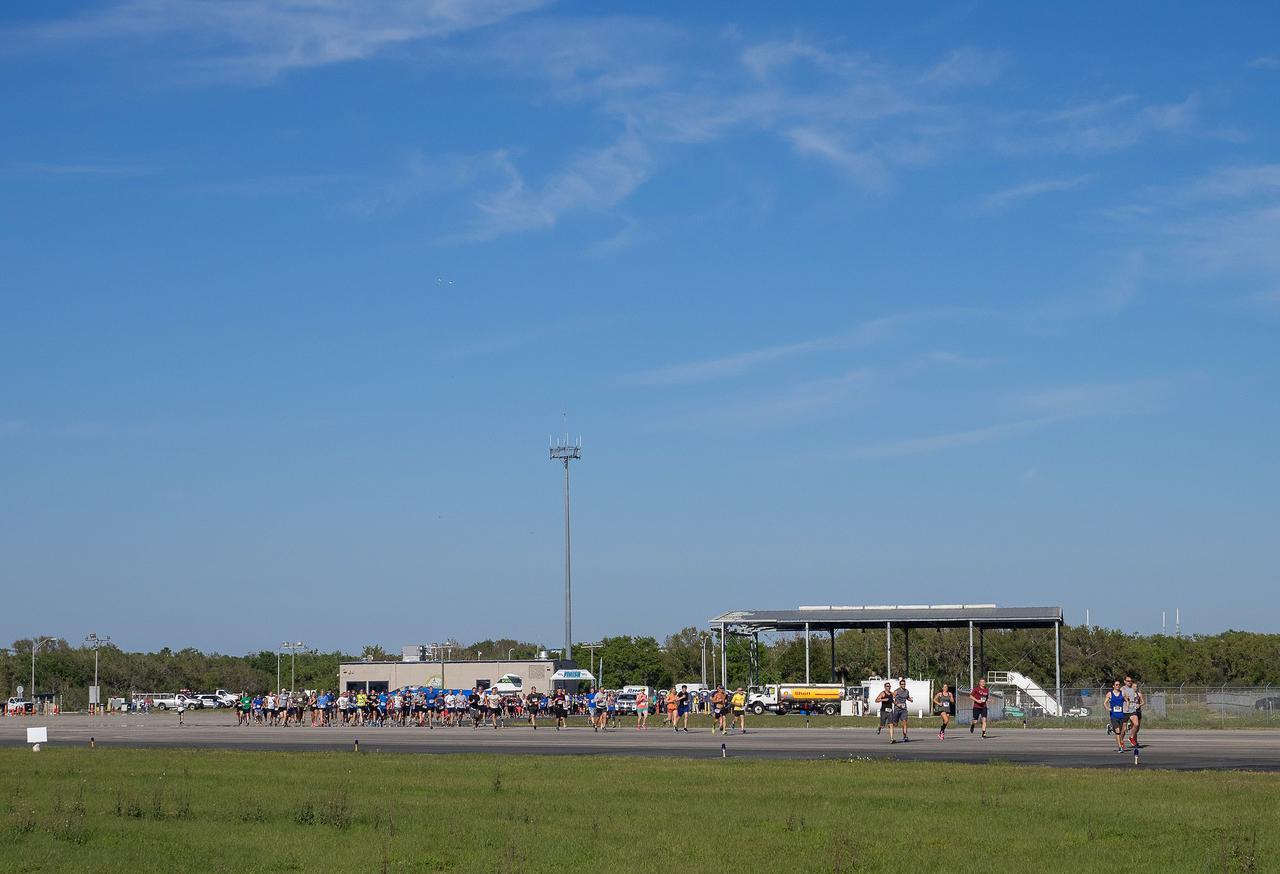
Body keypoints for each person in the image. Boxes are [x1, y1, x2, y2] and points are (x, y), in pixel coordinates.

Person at [1123, 676, 1145, 749]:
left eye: (1136, 686)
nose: (1135, 688)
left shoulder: (1138, 694)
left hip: (1136, 710)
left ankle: (1133, 739)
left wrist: (1139, 705)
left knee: (1136, 727)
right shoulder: (1126, 690)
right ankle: (1128, 742)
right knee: (1127, 728)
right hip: (1128, 710)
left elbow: (1143, 702)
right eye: (1134, 686)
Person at [1107, 680, 1128, 752]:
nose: (1118, 686)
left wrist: (1127, 707)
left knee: (1121, 731)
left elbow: (1127, 701)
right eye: (1116, 685)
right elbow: (1104, 703)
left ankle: (1110, 728)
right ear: (1113, 686)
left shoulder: (1122, 693)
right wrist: (1108, 708)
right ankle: (1120, 747)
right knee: (1118, 731)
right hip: (1113, 715)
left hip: (1121, 715)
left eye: (1119, 684)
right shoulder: (1110, 694)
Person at [889, 679, 912, 744]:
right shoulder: (896, 691)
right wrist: (897, 704)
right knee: (895, 724)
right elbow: (891, 699)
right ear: (900, 685)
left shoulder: (907, 691)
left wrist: (910, 699)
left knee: (904, 722)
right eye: (902, 684)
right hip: (897, 709)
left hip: (904, 709)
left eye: (904, 684)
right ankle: (891, 735)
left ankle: (905, 737)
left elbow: (907, 697)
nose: (903, 685)